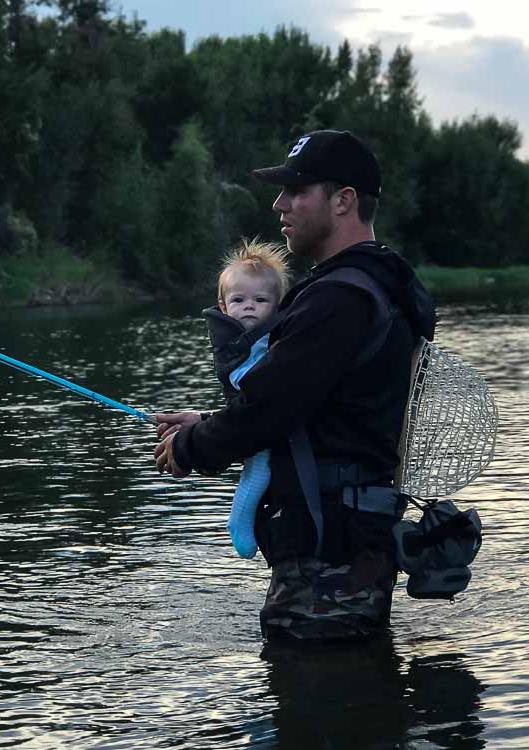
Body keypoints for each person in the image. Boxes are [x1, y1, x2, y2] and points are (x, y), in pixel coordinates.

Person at [154, 130, 437, 642]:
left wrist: (192, 445)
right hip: (351, 542)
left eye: (297, 190)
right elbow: (310, 404)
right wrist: (207, 422)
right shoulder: (379, 283)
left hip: (327, 562)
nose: (279, 203)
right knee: (349, 701)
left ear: (343, 200)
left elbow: (269, 410)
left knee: (319, 704)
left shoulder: (339, 299)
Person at [206, 238, 291, 558]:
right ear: (224, 306)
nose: (249, 306)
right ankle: (243, 524)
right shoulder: (233, 339)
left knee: (258, 470)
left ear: (277, 305)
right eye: (239, 299)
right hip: (255, 420)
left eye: (260, 299)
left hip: (267, 419)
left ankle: (243, 522)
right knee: (255, 468)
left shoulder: (278, 333)